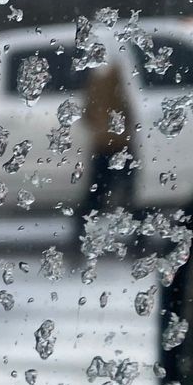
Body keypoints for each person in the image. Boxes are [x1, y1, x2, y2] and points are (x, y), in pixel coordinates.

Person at [79, 61, 135, 247]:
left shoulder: (96, 85)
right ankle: (137, 237)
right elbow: (128, 113)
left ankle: (81, 233)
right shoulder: (118, 84)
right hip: (118, 146)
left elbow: (88, 115)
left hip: (103, 145)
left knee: (96, 195)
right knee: (127, 193)